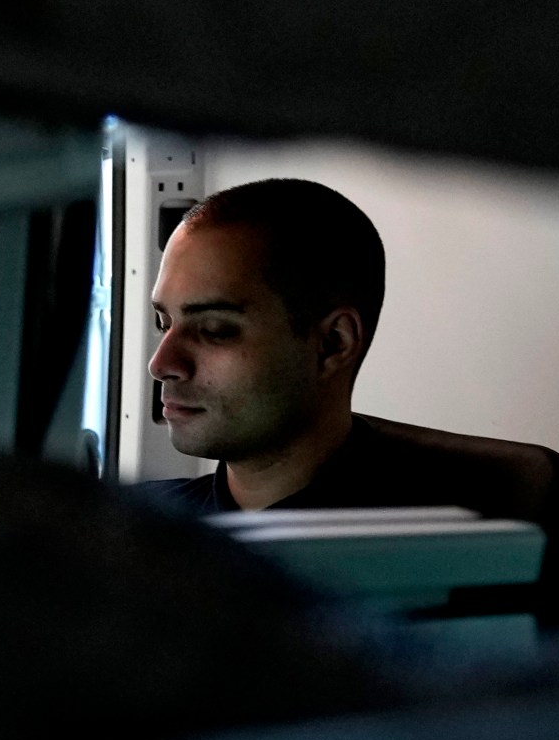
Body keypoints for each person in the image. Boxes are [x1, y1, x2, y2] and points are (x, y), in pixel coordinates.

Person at [138, 179, 419, 512]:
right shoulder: (128, 527)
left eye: (215, 329)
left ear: (333, 343)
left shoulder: (438, 550)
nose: (160, 364)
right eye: (164, 323)